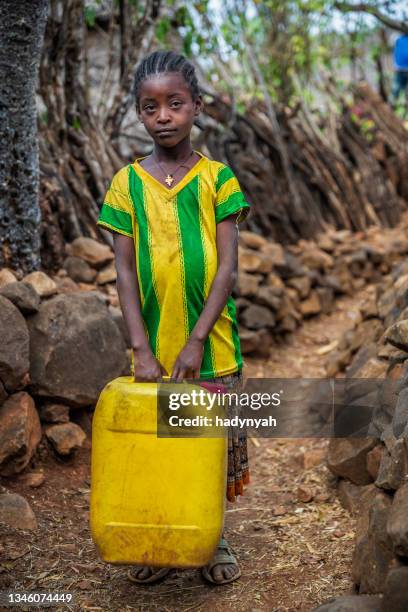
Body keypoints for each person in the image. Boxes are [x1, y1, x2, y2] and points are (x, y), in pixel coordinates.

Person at [96, 50, 250, 586]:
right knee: (159, 445)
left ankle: (211, 537)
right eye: (150, 106)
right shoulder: (126, 184)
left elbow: (226, 266)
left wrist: (197, 340)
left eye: (175, 104)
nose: (163, 116)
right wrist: (141, 347)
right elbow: (123, 269)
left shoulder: (218, 180)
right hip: (155, 346)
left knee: (205, 443)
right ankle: (160, 536)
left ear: (196, 108)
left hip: (211, 345)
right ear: (140, 114)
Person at [391, 34, 408, 107]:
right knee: (396, 89)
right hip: (399, 69)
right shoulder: (397, 37)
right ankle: (392, 105)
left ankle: (404, 106)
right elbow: (394, 50)